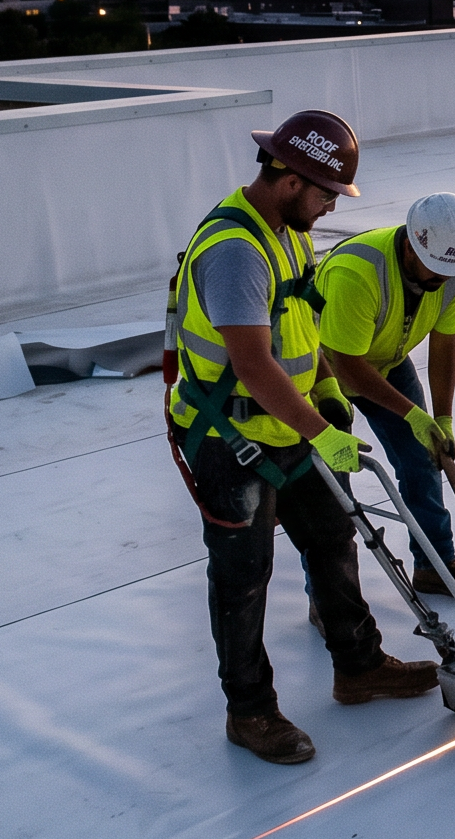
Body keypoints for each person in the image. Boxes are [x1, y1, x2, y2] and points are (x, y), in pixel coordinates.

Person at [167, 110, 437, 766]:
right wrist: (321, 428)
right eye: (324, 195)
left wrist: (326, 394)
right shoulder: (236, 250)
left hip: (289, 426)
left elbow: (300, 324)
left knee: (334, 537)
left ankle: (359, 666)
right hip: (231, 438)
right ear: (289, 180)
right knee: (244, 576)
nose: (327, 208)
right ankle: (250, 712)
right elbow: (254, 364)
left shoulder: (289, 232)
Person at [316, 191, 455, 598]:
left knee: (423, 461)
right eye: (435, 270)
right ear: (411, 245)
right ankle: (330, 600)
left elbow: (445, 343)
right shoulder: (357, 273)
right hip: (321, 372)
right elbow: (348, 366)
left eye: (450, 271)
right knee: (329, 489)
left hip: (387, 360)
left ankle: (435, 566)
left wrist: (441, 419)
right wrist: (411, 413)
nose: (442, 280)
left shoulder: (451, 265)